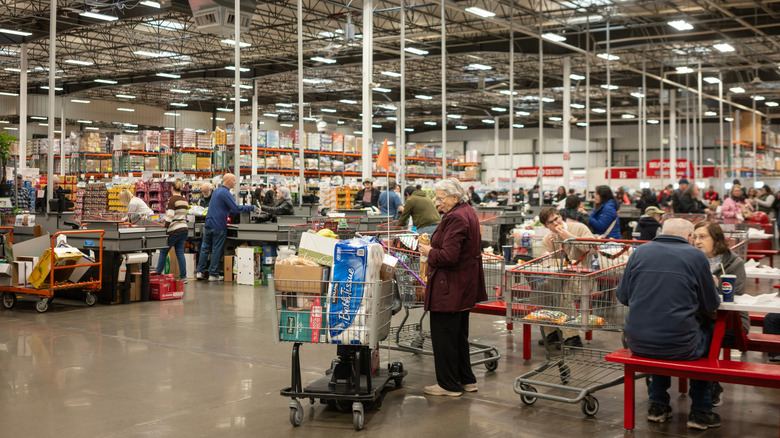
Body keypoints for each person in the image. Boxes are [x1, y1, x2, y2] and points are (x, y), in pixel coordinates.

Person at [616, 219, 721, 430]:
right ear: (690, 238)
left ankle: (657, 405)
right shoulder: (696, 256)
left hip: (637, 342)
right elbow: (711, 305)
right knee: (706, 334)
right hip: (680, 345)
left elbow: (622, 296)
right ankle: (701, 410)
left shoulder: (639, 252)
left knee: (661, 329)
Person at [417, 178, 486, 397]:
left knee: (444, 336)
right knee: (457, 336)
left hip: (450, 287)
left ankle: (448, 384)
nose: (437, 202)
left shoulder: (456, 217)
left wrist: (429, 251)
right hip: (462, 285)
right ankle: (466, 380)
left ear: (454, 197)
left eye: (440, 198)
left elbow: (449, 256)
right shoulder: (467, 212)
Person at [692, 221, 749, 407]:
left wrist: (714, 289)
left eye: (703, 237)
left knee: (702, 334)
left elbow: (736, 299)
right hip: (700, 318)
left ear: (717, 240)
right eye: (694, 237)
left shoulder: (734, 263)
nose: (697, 241)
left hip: (732, 322)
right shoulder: (691, 260)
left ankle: (706, 392)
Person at [537, 206, 594, 347]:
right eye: (550, 223)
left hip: (583, 278)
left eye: (556, 219)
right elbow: (550, 264)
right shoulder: (548, 238)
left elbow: (593, 248)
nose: (555, 224)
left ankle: (573, 336)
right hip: (559, 278)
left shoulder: (579, 228)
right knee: (542, 290)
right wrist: (551, 249)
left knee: (564, 291)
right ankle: (552, 332)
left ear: (560, 216)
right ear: (545, 226)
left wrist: (570, 238)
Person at [195, 174, 257, 282]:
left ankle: (200, 272)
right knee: (216, 250)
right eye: (234, 180)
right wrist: (251, 207)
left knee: (204, 249)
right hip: (218, 226)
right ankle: (213, 274)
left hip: (208, 224)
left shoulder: (217, 191)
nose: (236, 183)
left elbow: (226, 208)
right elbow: (235, 208)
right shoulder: (226, 193)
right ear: (228, 181)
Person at [155, 179, 189, 281]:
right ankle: (183, 277)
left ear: (172, 188)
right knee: (180, 253)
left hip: (174, 230)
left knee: (163, 252)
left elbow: (170, 216)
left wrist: (165, 228)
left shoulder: (172, 200)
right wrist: (166, 217)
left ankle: (158, 274)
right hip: (184, 229)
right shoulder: (184, 200)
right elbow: (178, 214)